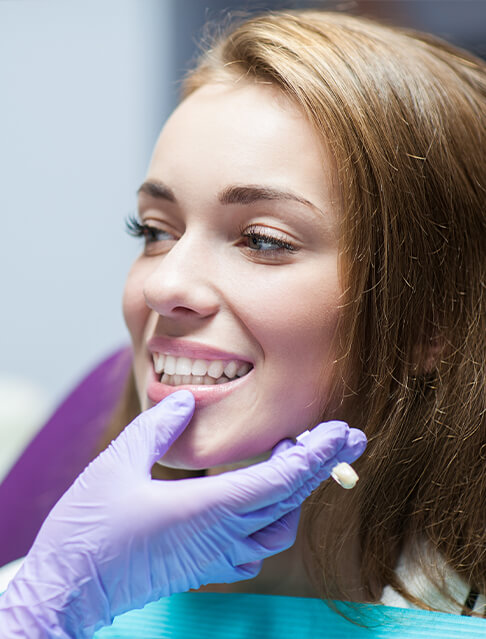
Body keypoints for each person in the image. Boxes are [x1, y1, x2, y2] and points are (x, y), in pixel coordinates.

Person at [1, 7, 485, 636]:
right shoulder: (46, 597)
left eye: (261, 240)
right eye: (154, 231)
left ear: (432, 324)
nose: (164, 284)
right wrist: (50, 606)